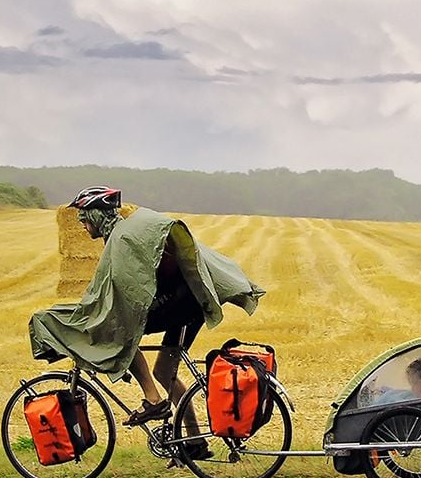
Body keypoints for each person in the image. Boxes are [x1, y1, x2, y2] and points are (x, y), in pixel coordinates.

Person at [30, 187, 264, 459]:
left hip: (182, 304)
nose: (82, 225)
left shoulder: (123, 239)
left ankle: (154, 400)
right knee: (165, 372)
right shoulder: (122, 235)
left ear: (97, 215)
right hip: (185, 301)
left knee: (119, 331)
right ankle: (196, 442)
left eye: (84, 218)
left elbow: (124, 299)